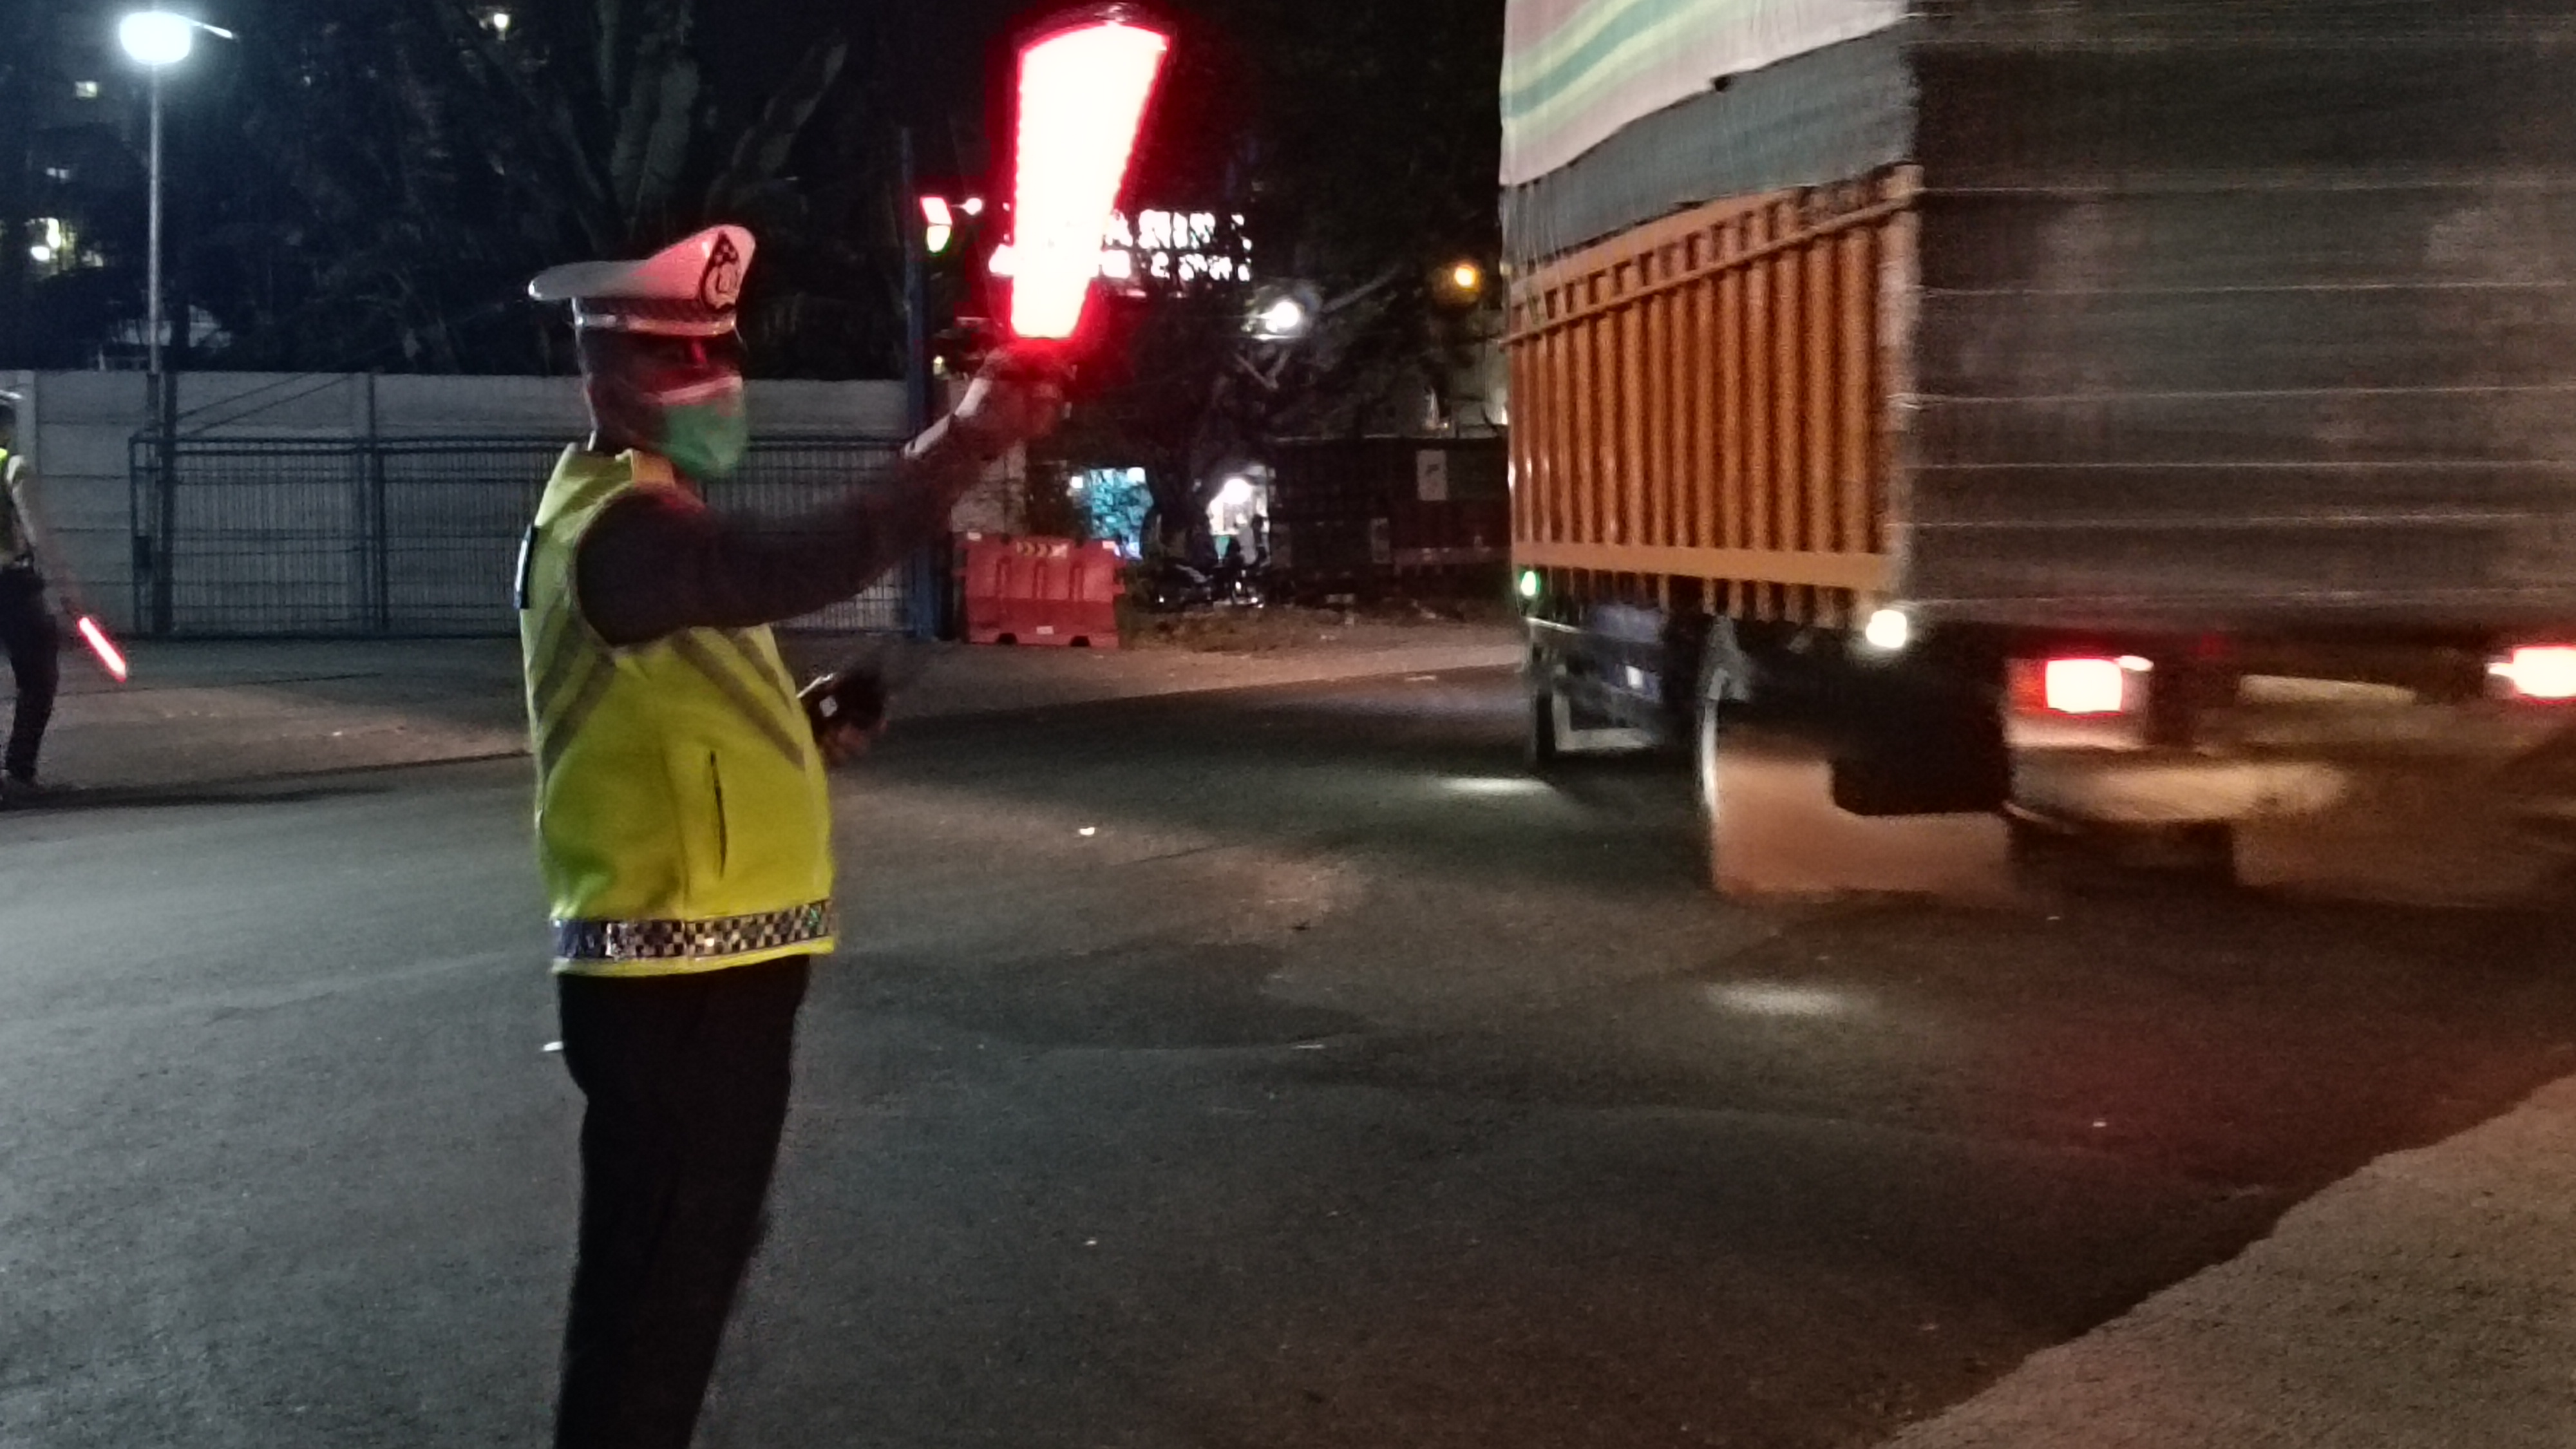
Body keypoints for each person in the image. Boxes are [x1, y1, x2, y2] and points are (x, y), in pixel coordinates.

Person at [518, 224, 1061, 1449]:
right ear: (603, 382)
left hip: (709, 972)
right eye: (675, 360)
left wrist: (804, 728)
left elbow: (677, 711)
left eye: (720, 353)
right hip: (677, 977)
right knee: (658, 1292)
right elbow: (807, 557)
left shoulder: (646, 519)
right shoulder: (625, 532)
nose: (712, 381)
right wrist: (966, 437)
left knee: (681, 1273)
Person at [0, 391, 88, 804]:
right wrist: (69, 593)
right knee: (38, 678)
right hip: (11, 587)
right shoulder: (12, 467)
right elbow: (39, 537)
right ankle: (19, 770)